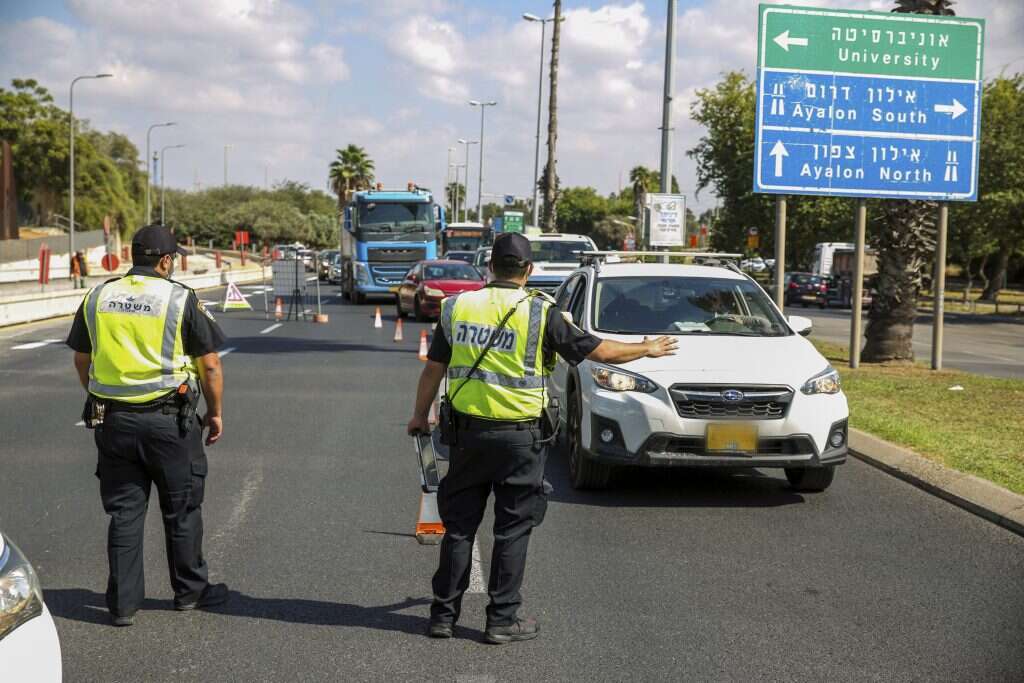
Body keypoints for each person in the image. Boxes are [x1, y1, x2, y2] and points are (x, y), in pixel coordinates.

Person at [407, 233, 678, 645]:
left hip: (466, 437)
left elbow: (434, 369)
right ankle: (501, 621)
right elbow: (599, 352)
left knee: (459, 528)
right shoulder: (541, 311)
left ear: (490, 266)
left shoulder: (458, 307)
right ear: (529, 271)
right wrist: (647, 348)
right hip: (521, 439)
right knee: (512, 530)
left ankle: (442, 617)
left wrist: (418, 416)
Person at [66, 224, 229, 627]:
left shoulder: (98, 295)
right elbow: (209, 364)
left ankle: (122, 605)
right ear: (167, 260)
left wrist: (99, 393)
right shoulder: (179, 298)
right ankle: (190, 592)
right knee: (182, 508)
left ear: (131, 256)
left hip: (113, 422)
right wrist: (216, 412)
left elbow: (82, 359)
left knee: (124, 512)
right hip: (169, 423)